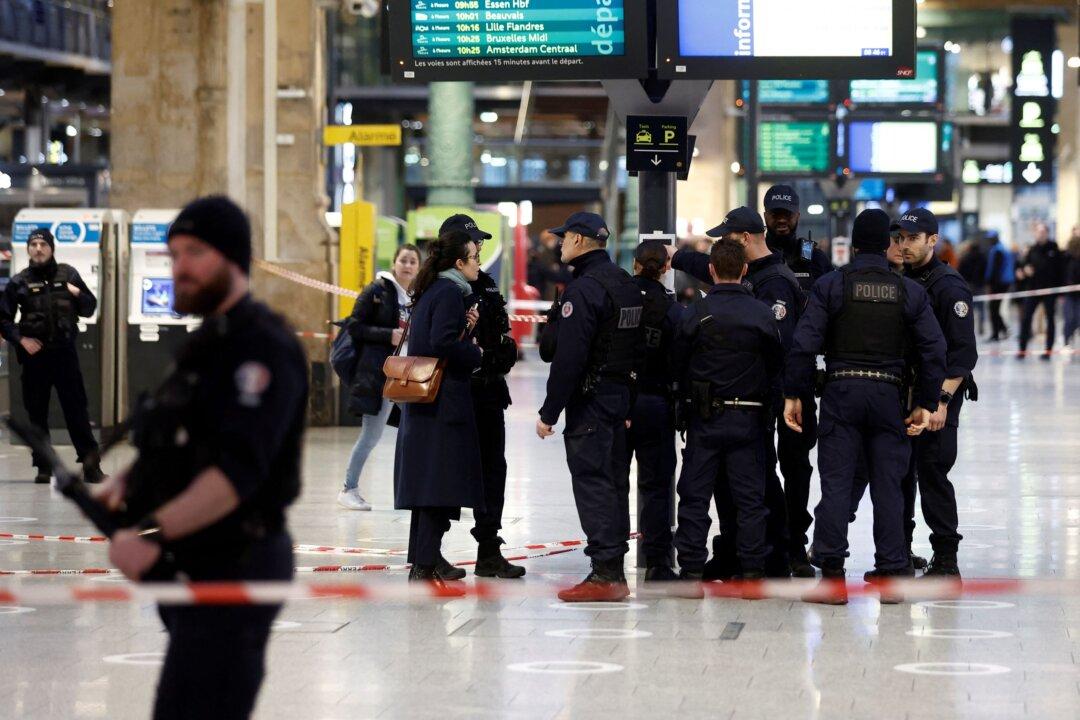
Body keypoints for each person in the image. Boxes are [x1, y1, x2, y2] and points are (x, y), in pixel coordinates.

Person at [96, 196, 308, 719]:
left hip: (239, 559)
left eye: (195, 252)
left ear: (233, 259)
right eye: (173, 255)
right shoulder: (206, 343)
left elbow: (236, 473)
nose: (180, 268)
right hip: (194, 561)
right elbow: (185, 437)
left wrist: (148, 534)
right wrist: (132, 480)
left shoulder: (261, 345)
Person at [783, 209, 946, 605]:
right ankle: (891, 574)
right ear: (888, 243)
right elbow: (934, 349)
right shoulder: (909, 291)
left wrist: (794, 393)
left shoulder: (831, 285)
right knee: (889, 487)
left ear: (853, 244)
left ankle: (833, 578)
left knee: (837, 484)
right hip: (890, 397)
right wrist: (925, 402)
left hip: (841, 394)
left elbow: (803, 345)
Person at [671, 208, 806, 578]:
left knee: (697, 497)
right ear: (742, 270)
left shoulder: (697, 312)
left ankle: (692, 571)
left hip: (706, 418)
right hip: (749, 418)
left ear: (713, 271)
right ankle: (752, 571)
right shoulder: (761, 313)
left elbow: (678, 363)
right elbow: (777, 358)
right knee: (750, 499)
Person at [535, 212, 644, 603]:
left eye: (564, 237)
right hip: (619, 399)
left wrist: (549, 412)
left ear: (580, 240)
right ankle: (613, 566)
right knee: (614, 483)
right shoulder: (625, 285)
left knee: (593, 483)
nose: (560, 243)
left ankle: (606, 573)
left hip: (592, 402)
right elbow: (638, 347)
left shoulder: (584, 290)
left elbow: (569, 359)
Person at [394, 229, 485, 593]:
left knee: (428, 485)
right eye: (474, 257)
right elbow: (441, 343)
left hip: (426, 402)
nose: (478, 263)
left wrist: (465, 327)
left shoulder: (436, 289)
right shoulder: (449, 291)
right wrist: (475, 353)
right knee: (437, 486)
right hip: (442, 403)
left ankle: (424, 558)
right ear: (459, 263)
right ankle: (425, 565)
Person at [891, 209, 978, 577]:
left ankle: (946, 558)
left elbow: (962, 355)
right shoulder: (900, 280)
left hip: (939, 396)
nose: (904, 245)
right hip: (906, 393)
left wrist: (940, 402)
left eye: (913, 238)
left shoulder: (948, 286)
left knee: (932, 471)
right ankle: (902, 550)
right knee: (900, 472)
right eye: (900, 238)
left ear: (932, 239)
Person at [452, 214, 526, 579]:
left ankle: (488, 549)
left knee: (493, 471)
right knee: (446, 474)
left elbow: (501, 337)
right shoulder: (445, 287)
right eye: (474, 243)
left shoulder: (488, 286)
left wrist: (501, 351)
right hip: (454, 395)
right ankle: (429, 552)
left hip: (489, 393)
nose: (480, 248)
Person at [0, 228, 103, 484]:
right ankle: (44, 467)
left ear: (51, 248)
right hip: (35, 359)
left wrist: (77, 293)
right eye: (33, 244)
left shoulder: (69, 274)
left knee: (76, 411)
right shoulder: (19, 281)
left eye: (42, 244)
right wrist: (21, 340)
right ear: (28, 250)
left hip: (64, 355)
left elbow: (90, 308)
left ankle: (91, 467)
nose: (38, 248)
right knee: (37, 414)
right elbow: (3, 319)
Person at [338, 244, 420, 511]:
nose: (408, 265)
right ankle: (348, 488)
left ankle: (420, 491)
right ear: (394, 262)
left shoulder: (416, 297)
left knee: (419, 430)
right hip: (380, 375)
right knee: (371, 435)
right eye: (403, 260)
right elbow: (354, 325)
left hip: (407, 374)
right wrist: (388, 335)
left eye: (413, 261)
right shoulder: (378, 291)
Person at [623, 240, 681, 581]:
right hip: (657, 404)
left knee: (614, 482)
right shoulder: (672, 310)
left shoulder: (618, 300)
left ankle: (609, 559)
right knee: (657, 485)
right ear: (665, 269)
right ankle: (658, 562)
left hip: (619, 402)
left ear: (634, 265)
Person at [762, 184, 833, 293]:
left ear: (797, 216)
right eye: (775, 214)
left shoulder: (815, 258)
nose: (782, 220)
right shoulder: (754, 257)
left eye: (787, 214)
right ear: (765, 216)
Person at [1017, 223, 1065, 359]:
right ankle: (1022, 349)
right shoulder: (1032, 250)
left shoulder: (1054, 249)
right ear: (1035, 234)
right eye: (1038, 232)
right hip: (1033, 289)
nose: (1041, 234)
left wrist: (1060, 292)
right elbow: (1023, 267)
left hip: (1050, 290)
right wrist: (1024, 271)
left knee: (1050, 319)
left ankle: (1048, 350)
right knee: (1026, 318)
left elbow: (1060, 270)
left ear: (1047, 233)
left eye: (1043, 231)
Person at [984, 233, 1015, 341]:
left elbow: (995, 270)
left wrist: (990, 284)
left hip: (999, 283)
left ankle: (996, 333)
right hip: (1003, 282)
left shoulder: (997, 250)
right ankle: (1002, 330)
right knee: (995, 308)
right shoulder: (1001, 248)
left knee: (993, 308)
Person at [957, 239, 987, 337]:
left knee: (969, 308)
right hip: (980, 285)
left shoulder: (966, 257)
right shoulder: (983, 257)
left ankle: (969, 327)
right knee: (981, 308)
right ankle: (981, 328)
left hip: (968, 285)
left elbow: (960, 271)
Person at [1065, 231, 1080, 348]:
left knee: (1078, 318)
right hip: (1069, 291)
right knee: (1069, 317)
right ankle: (1066, 339)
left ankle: (1072, 335)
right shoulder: (1067, 254)